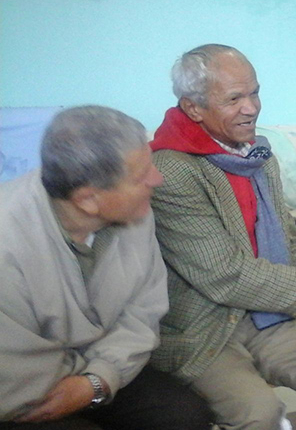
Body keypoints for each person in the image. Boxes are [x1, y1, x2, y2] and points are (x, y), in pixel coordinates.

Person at [147, 44, 296, 430]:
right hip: (203, 327)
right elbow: (225, 275)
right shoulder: (171, 170)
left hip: (265, 313)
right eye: (234, 99)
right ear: (193, 108)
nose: (251, 107)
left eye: (254, 93)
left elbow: (288, 241)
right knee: (260, 412)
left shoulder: (257, 155)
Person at [0, 106, 212, 429]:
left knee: (184, 415)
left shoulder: (136, 211)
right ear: (88, 199)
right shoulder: (8, 243)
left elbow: (143, 312)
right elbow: (17, 374)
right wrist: (85, 383)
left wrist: (97, 380)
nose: (157, 179)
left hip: (103, 367)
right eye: (141, 176)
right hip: (28, 395)